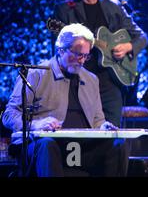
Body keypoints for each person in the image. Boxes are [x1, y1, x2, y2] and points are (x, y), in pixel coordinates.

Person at [2, 24, 128, 177]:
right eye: (77, 54)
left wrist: (104, 127)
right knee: (47, 144)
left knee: (118, 144)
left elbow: (97, 122)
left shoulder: (91, 80)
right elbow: (8, 115)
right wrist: (36, 125)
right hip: (44, 146)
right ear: (61, 50)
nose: (82, 61)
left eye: (86, 56)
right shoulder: (36, 74)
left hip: (81, 149)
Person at [54, 0, 148, 127]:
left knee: (112, 129)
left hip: (110, 81)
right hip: (79, 78)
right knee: (82, 127)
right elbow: (58, 46)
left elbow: (141, 37)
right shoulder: (65, 9)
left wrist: (128, 47)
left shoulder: (114, 7)